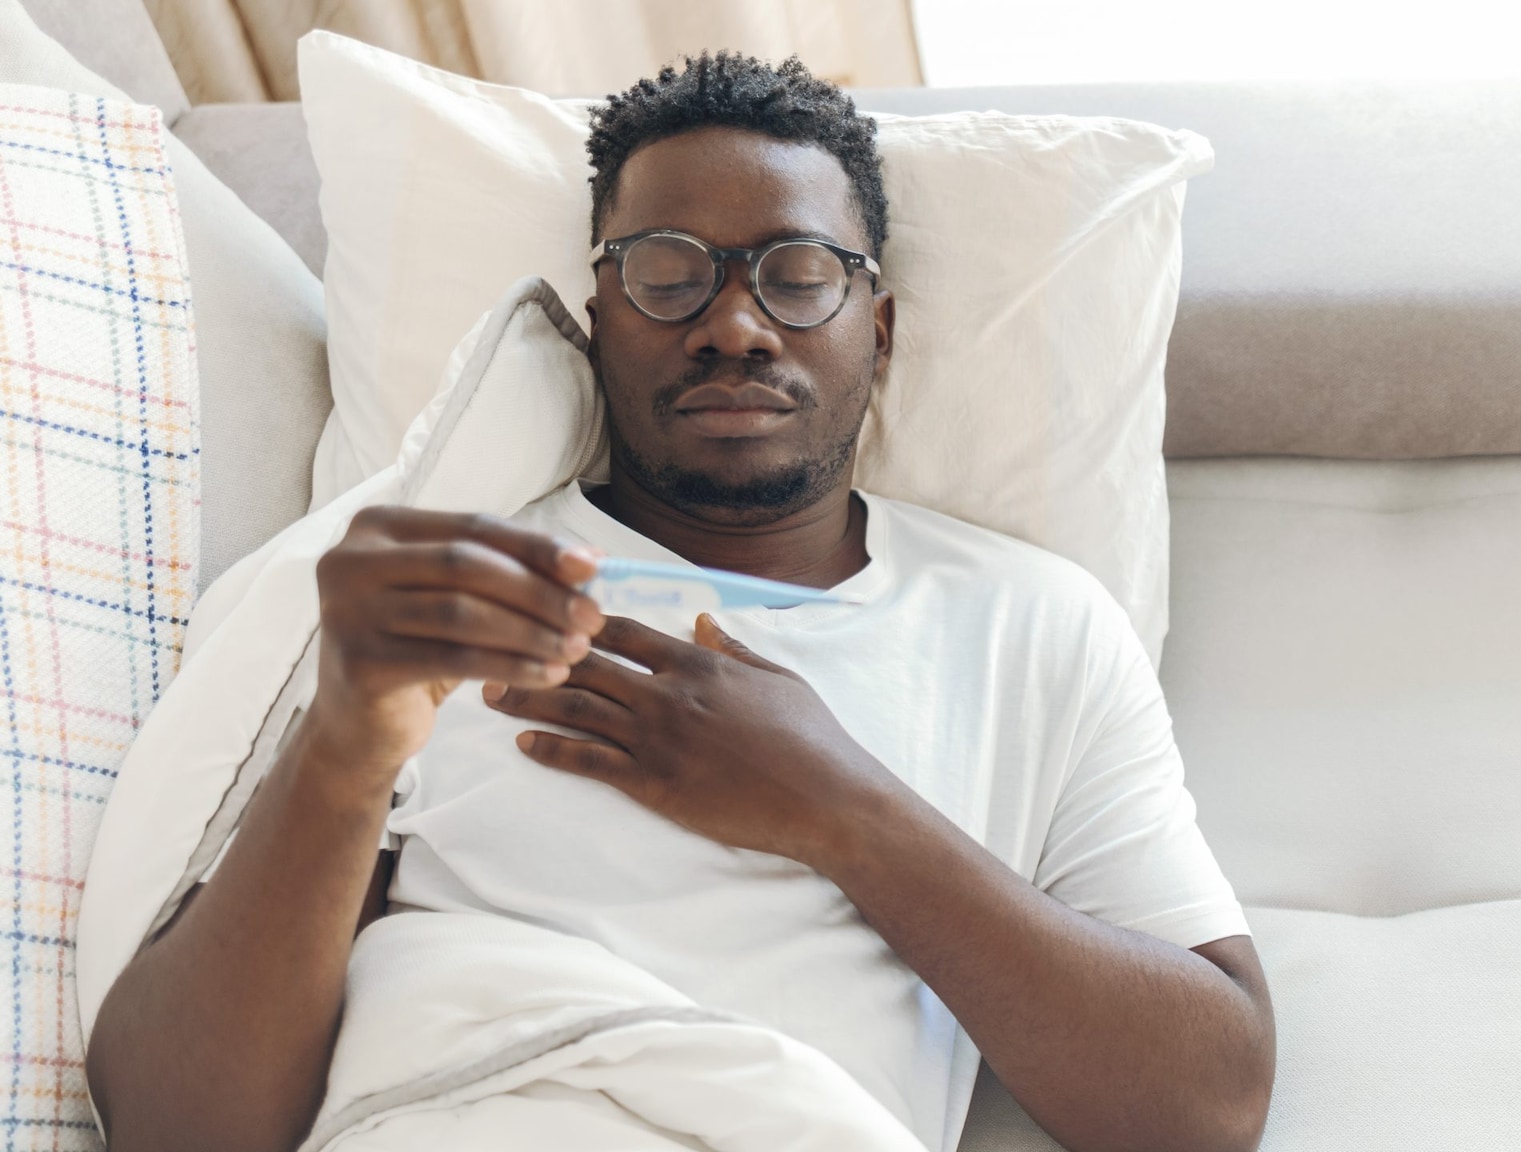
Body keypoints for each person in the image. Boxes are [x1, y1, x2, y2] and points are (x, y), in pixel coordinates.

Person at [87, 52, 1275, 1152]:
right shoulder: (434, 595)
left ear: (883, 328)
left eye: (800, 276)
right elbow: (179, 1127)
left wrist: (835, 804)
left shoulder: (1036, 622)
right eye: (666, 274)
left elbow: (1205, 1100)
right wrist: (344, 747)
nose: (734, 326)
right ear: (598, 319)